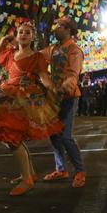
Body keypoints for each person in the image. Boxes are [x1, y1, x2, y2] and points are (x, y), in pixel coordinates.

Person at [0, 22, 63, 195]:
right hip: (7, 94)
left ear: (33, 37)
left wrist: (53, 89)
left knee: (12, 139)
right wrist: (3, 40)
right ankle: (29, 174)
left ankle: (27, 179)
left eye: (27, 32)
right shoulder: (10, 54)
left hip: (26, 99)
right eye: (20, 32)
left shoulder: (37, 57)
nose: (23, 35)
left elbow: (44, 76)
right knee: (11, 139)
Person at [40, 16, 86, 188]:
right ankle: (61, 170)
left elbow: (74, 73)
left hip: (69, 97)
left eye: (59, 26)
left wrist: (66, 86)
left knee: (65, 137)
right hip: (54, 98)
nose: (55, 28)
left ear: (68, 29)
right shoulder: (53, 49)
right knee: (53, 134)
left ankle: (80, 171)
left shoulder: (74, 50)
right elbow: (37, 57)